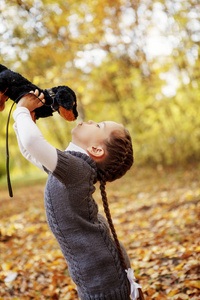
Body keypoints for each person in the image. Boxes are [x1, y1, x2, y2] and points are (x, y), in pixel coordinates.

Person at [13, 89, 143, 300]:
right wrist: (26, 118)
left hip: (102, 278)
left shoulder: (76, 170)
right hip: (102, 273)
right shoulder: (73, 168)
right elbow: (30, 151)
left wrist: (22, 110)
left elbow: (32, 143)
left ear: (96, 149)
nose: (91, 120)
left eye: (99, 125)